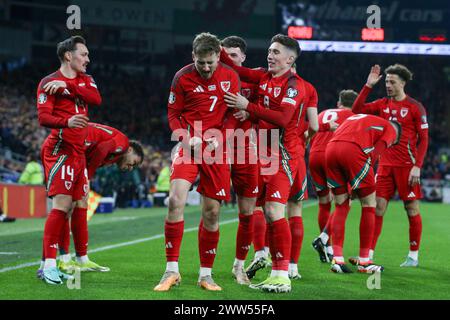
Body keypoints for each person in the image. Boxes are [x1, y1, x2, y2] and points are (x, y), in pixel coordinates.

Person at [153, 32, 241, 292]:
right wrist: (184, 138)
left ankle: (206, 275)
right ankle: (171, 271)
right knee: (175, 201)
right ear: (193, 56)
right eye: (200, 62)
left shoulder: (230, 77)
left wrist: (220, 139)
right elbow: (173, 113)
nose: (205, 67)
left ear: (218, 58)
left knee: (212, 212)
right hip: (188, 146)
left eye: (210, 63)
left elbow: (234, 116)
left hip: (216, 148)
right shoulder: (182, 77)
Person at [223, 34, 307, 293]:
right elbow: (237, 69)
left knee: (274, 211)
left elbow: (282, 118)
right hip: (264, 154)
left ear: (290, 59)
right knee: (268, 213)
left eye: (276, 52)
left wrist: (248, 106)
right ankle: (276, 272)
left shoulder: (294, 85)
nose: (270, 55)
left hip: (284, 154)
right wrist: (214, 46)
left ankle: (283, 274)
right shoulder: (265, 78)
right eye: (270, 50)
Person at [37, 35, 102, 285]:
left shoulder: (86, 80)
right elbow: (43, 118)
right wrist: (66, 121)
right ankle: (49, 266)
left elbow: (96, 99)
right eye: (83, 54)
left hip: (78, 153)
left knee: (72, 208)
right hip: (60, 149)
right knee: (61, 207)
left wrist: (68, 88)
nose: (88, 59)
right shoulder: (48, 82)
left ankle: (49, 262)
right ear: (68, 55)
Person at [351, 64, 429, 267]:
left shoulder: (415, 107)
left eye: (392, 82)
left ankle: (413, 256)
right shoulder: (382, 104)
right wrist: (368, 86)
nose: (388, 85)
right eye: (386, 81)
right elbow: (356, 110)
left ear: (402, 83)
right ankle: (368, 254)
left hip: (406, 166)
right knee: (377, 208)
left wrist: (417, 166)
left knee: (411, 208)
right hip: (385, 166)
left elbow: (424, 139)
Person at [54, 123, 143, 274]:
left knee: (80, 203)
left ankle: (80, 259)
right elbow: (101, 149)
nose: (130, 168)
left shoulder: (113, 158)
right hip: (67, 146)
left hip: (74, 151)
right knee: (67, 206)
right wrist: (89, 177)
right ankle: (63, 260)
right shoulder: (123, 143)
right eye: (133, 163)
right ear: (130, 150)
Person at [326, 114, 401, 273]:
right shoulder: (391, 129)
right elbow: (375, 153)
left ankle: (337, 259)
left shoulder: (363, 118)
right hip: (353, 151)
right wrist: (356, 185)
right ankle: (364, 262)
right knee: (369, 204)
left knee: (341, 205)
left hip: (331, 149)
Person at [221, 36, 259, 285]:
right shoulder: (216, 77)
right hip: (218, 148)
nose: (230, 61)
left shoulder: (257, 78)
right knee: (211, 209)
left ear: (243, 57)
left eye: (234, 56)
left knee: (247, 213)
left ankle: (239, 266)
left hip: (248, 150)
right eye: (226, 56)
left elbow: (269, 109)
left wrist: (250, 110)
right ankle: (204, 270)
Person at [310, 90, 357, 263]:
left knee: (324, 203)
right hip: (332, 156)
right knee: (344, 202)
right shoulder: (351, 115)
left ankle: (328, 248)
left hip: (314, 156)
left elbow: (311, 131)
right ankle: (327, 242)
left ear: (339, 103)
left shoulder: (323, 113)